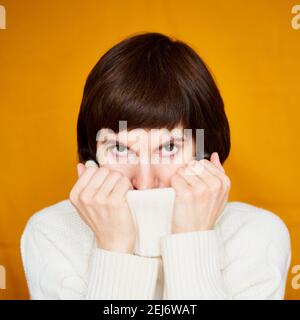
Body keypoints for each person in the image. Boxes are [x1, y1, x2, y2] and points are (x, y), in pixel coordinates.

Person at [20, 32, 291, 300]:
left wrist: (193, 240)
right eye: (120, 148)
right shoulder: (51, 232)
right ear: (92, 155)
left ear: (205, 152)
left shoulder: (256, 235)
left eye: (169, 147)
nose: (145, 181)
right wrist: (115, 250)